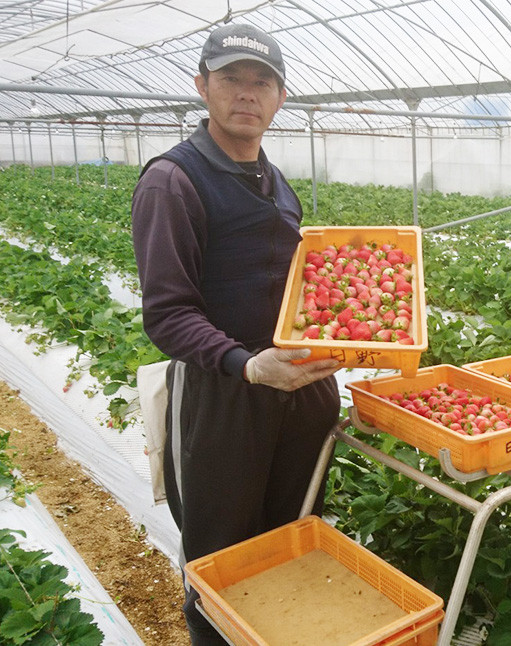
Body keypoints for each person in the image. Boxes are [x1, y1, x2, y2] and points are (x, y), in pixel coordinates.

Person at [131, 23, 342, 644]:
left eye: (263, 82)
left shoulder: (273, 179)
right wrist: (247, 364)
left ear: (281, 98)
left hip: (301, 391)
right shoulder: (173, 181)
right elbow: (167, 313)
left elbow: (287, 285)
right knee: (221, 559)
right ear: (202, 86)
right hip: (226, 397)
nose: (247, 93)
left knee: (293, 538)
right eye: (231, 79)